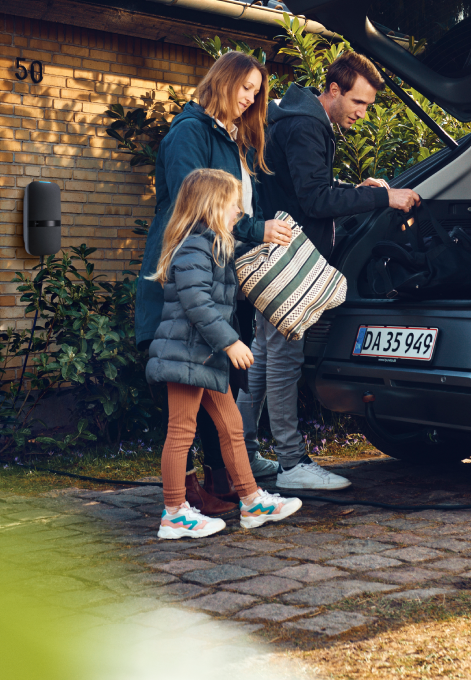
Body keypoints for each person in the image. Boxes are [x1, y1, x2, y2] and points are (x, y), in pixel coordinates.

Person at [244, 50, 421, 491]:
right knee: (281, 362)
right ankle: (291, 464)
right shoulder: (306, 126)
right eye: (358, 103)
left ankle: (241, 453)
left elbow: (307, 190)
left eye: (369, 106)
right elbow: (314, 202)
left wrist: (354, 189)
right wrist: (385, 198)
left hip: (278, 256)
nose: (362, 113)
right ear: (334, 90)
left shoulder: (294, 117)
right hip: (288, 262)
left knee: (263, 359)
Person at [134, 50, 295, 516]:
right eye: (246, 88)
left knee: (221, 393)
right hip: (185, 289)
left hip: (218, 282)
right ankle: (182, 500)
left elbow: (234, 208)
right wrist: (255, 230)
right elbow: (199, 207)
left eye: (256, 93)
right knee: (183, 402)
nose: (250, 99)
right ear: (222, 81)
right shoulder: (190, 132)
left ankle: (228, 489)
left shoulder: (232, 140)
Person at [145, 168, 303, 539]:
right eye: (233, 205)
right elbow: (197, 303)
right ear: (211, 206)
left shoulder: (213, 245)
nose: (238, 212)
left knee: (232, 426)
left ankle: (252, 501)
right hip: (186, 356)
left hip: (204, 356)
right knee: (181, 431)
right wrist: (230, 341)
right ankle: (174, 513)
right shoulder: (194, 247)